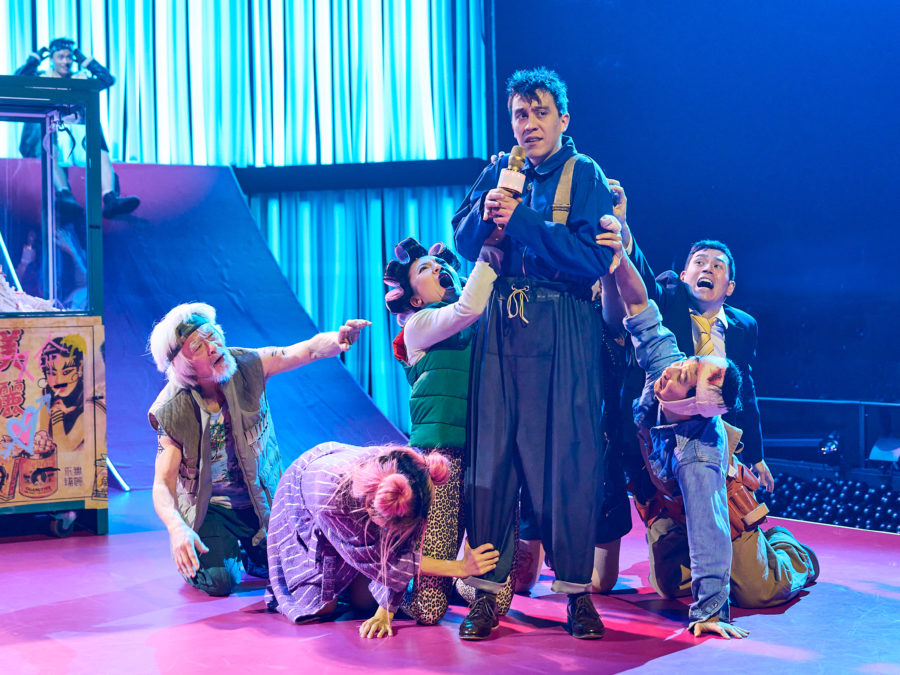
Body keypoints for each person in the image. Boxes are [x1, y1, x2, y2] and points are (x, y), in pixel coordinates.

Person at [452, 66, 627, 640]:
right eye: (520, 114)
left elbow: (592, 259)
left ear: (563, 119)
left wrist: (522, 220)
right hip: (502, 326)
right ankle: (486, 594)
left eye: (540, 112)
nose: (528, 124)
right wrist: (486, 215)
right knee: (491, 461)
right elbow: (463, 242)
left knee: (569, 461)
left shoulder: (585, 174)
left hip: (565, 326)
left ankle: (576, 593)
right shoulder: (498, 171)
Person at [147, 302, 370, 597]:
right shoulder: (172, 409)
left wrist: (337, 339)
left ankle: (253, 552)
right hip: (212, 510)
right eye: (198, 346)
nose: (212, 347)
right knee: (219, 581)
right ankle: (216, 550)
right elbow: (162, 484)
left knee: (299, 567)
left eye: (212, 335)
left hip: (261, 500)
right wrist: (177, 529)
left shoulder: (247, 365)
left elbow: (300, 351)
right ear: (182, 365)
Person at [602, 227, 749, 638]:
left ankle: (790, 552)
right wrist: (618, 256)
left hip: (713, 498)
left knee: (757, 588)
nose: (672, 372)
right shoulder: (670, 361)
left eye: (682, 379)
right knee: (669, 585)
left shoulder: (699, 453)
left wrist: (710, 610)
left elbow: (710, 530)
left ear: (689, 405)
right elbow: (640, 305)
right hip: (665, 495)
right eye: (685, 365)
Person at [384, 237, 516, 625]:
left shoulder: (480, 323)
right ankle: (417, 586)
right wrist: (489, 252)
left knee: (495, 600)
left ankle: (466, 582)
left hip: (484, 452)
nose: (438, 269)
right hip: (440, 458)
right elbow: (466, 308)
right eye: (424, 269)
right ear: (415, 299)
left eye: (439, 265)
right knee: (428, 609)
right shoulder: (419, 325)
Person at [265, 442, 499, 638]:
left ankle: (351, 581)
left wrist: (385, 610)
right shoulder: (328, 497)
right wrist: (458, 568)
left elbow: (400, 549)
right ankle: (342, 581)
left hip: (360, 503)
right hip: (305, 501)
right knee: (322, 607)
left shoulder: (411, 473)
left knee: (365, 602)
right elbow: (386, 562)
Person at [15, 37, 140, 219]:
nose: (66, 61)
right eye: (60, 57)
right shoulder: (42, 78)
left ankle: (110, 198)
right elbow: (17, 81)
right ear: (52, 58)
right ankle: (64, 194)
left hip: (76, 137)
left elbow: (107, 79)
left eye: (69, 57)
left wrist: (86, 61)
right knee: (49, 139)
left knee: (95, 136)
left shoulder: (79, 79)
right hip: (51, 135)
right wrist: (34, 59)